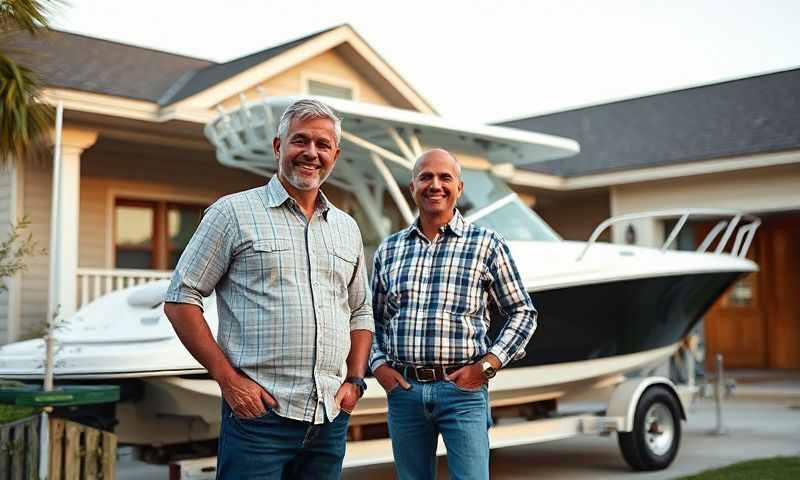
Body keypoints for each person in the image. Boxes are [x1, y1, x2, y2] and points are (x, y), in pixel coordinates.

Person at [164, 98, 374, 480]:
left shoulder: (347, 228)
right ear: (279, 147)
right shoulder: (232, 213)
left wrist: (355, 382)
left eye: (323, 145)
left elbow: (360, 310)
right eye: (300, 141)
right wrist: (228, 380)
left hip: (328, 418)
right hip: (259, 419)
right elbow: (181, 299)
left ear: (335, 155)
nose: (311, 153)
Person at [370, 148, 537, 480]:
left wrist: (487, 365)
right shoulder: (389, 250)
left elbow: (523, 312)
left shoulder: (487, 244)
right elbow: (372, 318)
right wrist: (379, 366)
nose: (435, 185)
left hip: (462, 392)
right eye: (425, 177)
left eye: (445, 177)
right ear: (412, 187)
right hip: (404, 393)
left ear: (459, 188)